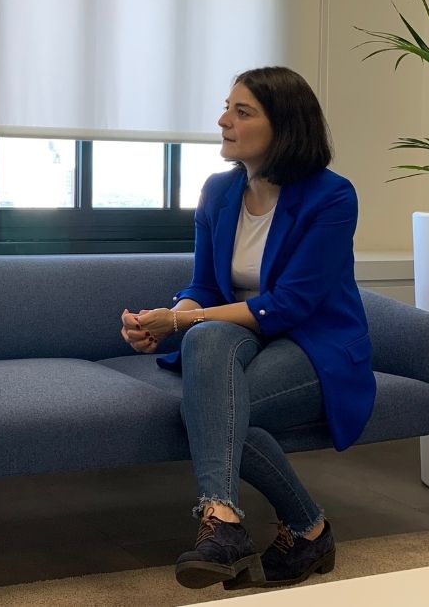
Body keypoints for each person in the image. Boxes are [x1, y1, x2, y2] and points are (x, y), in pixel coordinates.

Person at [119, 66, 374, 590]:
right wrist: (164, 320)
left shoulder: (331, 197)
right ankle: (259, 524)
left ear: (284, 126)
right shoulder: (218, 192)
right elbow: (204, 286)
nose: (223, 121)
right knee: (206, 346)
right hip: (241, 339)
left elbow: (290, 305)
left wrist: (181, 319)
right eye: (226, 108)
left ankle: (270, 528)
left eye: (242, 112)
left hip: (315, 344)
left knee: (211, 408)